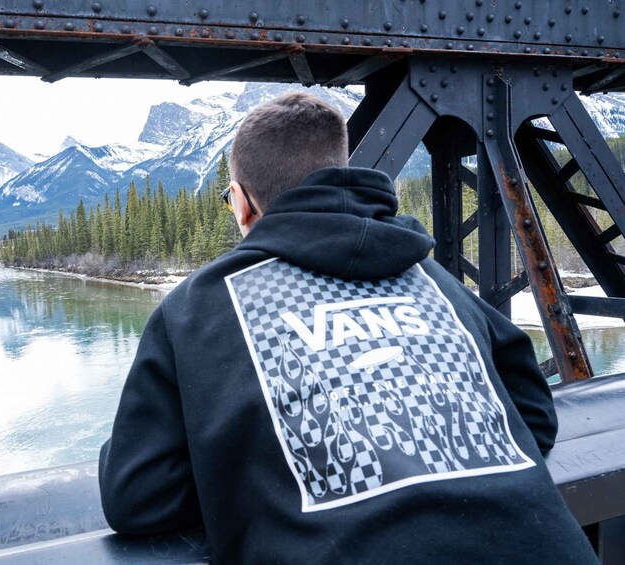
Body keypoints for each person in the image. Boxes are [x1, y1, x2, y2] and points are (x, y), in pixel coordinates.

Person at [99, 92, 597, 563]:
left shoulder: (200, 304)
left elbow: (137, 495)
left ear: (242, 202)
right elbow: (535, 417)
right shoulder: (433, 279)